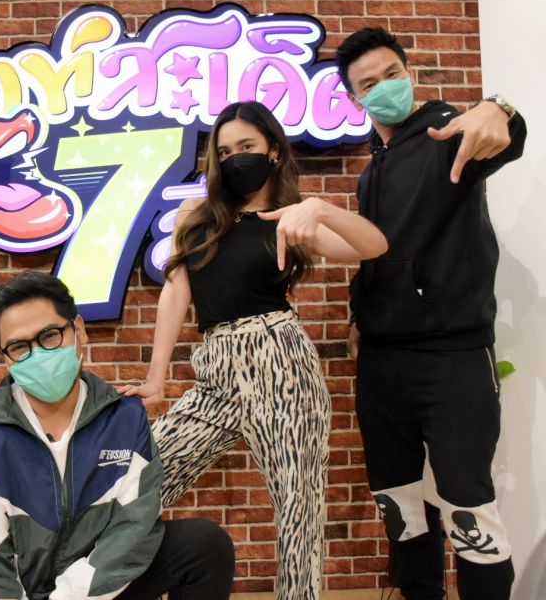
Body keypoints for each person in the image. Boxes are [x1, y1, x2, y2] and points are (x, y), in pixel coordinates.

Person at [119, 100, 389, 600]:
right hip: (217, 367)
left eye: (246, 146)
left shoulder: (291, 220)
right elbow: (176, 292)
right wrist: (157, 378)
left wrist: (320, 208)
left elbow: (374, 246)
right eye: (224, 152)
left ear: (273, 151)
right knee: (138, 477)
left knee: (298, 510)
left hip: (281, 362)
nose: (234, 158)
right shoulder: (196, 215)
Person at [335, 27, 527, 600]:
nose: (384, 88)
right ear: (354, 98)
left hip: (453, 357)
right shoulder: (373, 170)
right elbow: (382, 250)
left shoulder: (446, 133)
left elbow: (502, 136)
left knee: (470, 510)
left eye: (392, 74)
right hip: (383, 363)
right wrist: (359, 311)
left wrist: (499, 110)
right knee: (399, 506)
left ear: (409, 72)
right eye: (368, 83)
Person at [0, 271, 235, 600]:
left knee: (202, 545)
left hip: (89, 587)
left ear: (78, 329)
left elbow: (132, 529)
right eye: (19, 347)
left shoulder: (123, 418)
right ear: (5, 357)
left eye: (50, 335)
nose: (39, 355)